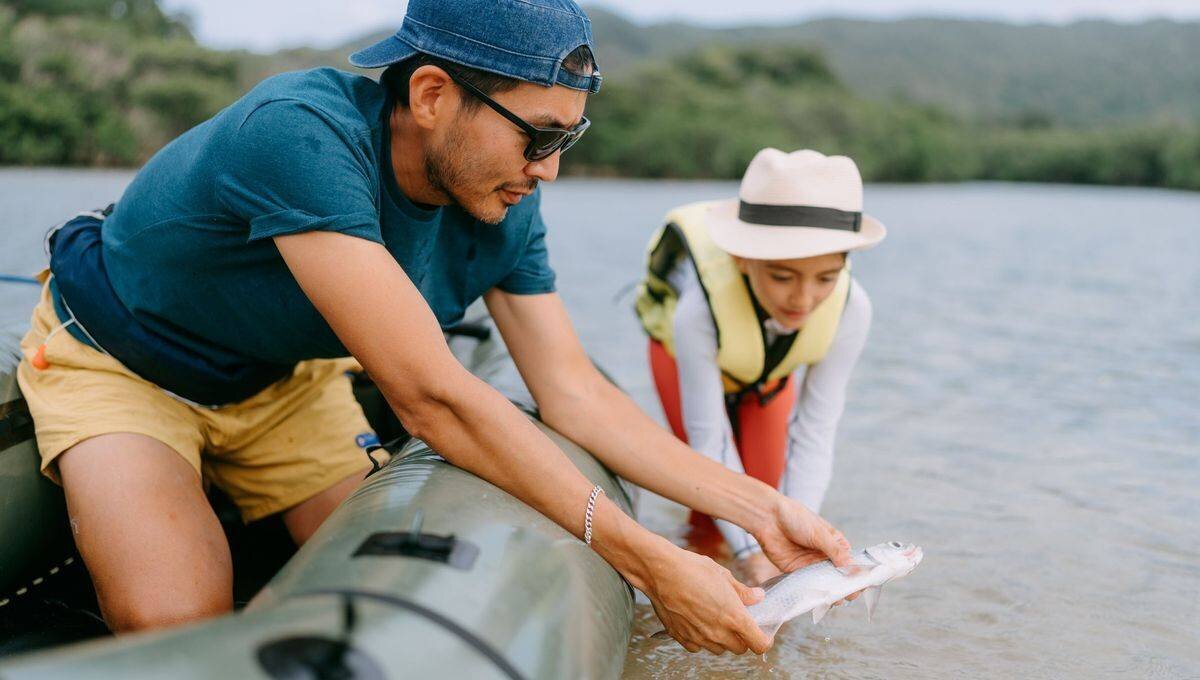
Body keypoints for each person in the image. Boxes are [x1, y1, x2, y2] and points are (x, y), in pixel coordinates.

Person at [17, 1, 851, 654]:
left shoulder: (505, 204)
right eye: (541, 135)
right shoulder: (300, 136)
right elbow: (430, 399)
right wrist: (652, 561)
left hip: (282, 382)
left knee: (385, 596)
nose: (551, 167)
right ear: (430, 96)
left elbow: (572, 390)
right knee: (180, 623)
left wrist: (764, 510)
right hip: (122, 362)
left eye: (572, 134)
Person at [636, 148, 885, 585]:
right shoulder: (698, 309)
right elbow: (709, 440)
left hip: (767, 374)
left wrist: (796, 544)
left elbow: (816, 430)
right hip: (681, 360)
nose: (804, 300)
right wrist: (753, 553)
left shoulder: (853, 308)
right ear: (742, 259)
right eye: (784, 277)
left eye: (825, 278)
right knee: (715, 513)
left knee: (769, 498)